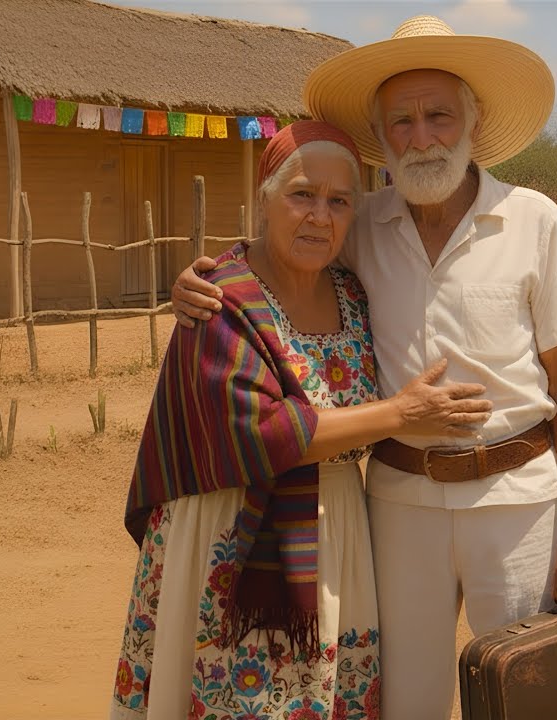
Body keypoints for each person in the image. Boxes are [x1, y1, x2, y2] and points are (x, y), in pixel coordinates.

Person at [170, 16, 557, 719]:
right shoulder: (360, 222)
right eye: (401, 121)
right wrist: (204, 278)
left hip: (517, 503)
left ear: (473, 121)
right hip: (400, 502)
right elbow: (284, 248)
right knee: (405, 702)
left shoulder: (534, 220)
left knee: (526, 696)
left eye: (439, 115)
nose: (421, 135)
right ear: (381, 134)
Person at [110, 120, 492, 720]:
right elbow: (261, 432)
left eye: (339, 201)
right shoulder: (219, 299)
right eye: (302, 195)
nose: (320, 216)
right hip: (230, 541)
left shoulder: (353, 294)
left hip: (337, 535)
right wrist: (400, 413)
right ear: (264, 198)